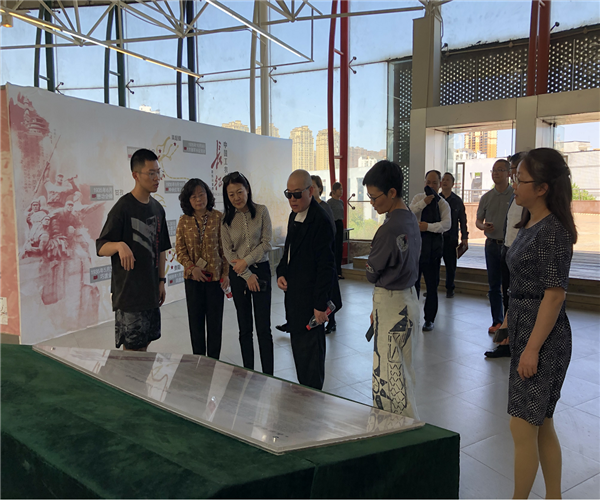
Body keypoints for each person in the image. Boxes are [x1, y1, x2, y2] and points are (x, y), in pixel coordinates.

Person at [505, 147, 577, 499]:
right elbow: (525, 279)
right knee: (541, 423)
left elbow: (554, 295)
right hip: (526, 327)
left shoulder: (552, 231)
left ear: (543, 188)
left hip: (544, 337)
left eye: (521, 179)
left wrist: (532, 349)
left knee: (521, 426)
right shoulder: (530, 222)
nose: (514, 184)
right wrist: (509, 317)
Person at [96, 148, 171, 352]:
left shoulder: (157, 209)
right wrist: (119, 245)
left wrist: (161, 280)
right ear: (135, 175)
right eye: (151, 173)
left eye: (158, 172)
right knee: (132, 353)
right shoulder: (123, 208)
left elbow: (161, 248)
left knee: (144, 346)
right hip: (129, 294)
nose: (157, 178)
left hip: (150, 291)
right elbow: (101, 246)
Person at [364, 161, 421, 418]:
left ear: (392, 192)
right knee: (403, 370)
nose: (372, 203)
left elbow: (371, 272)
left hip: (391, 303)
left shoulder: (388, 229)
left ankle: (398, 429)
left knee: (389, 376)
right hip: (408, 298)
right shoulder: (410, 219)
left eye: (374, 197)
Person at [277, 169, 337, 390]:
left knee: (312, 356)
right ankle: (304, 394)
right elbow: (288, 252)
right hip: (294, 298)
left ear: (310, 191)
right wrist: (281, 272)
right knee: (300, 352)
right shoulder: (294, 215)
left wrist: (320, 305)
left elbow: (326, 267)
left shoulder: (321, 220)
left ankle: (314, 398)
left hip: (312, 301)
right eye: (288, 194)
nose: (292, 199)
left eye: (297, 194)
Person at [221, 171, 274, 375]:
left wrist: (247, 262)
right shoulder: (226, 220)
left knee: (264, 328)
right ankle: (248, 373)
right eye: (231, 194)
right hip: (239, 275)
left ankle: (269, 374)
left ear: (247, 190)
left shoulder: (261, 211)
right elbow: (228, 253)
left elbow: (267, 243)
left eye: (239, 192)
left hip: (261, 271)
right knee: (245, 328)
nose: (236, 197)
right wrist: (246, 274)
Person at [175, 178, 229, 358]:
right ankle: (198, 361)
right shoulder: (184, 220)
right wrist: (192, 268)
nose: (199, 199)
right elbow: (180, 250)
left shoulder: (218, 217)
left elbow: (225, 249)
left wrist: (226, 273)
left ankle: (214, 361)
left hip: (215, 279)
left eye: (201, 194)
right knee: (195, 323)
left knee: (215, 323)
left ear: (208, 195)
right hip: (193, 279)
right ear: (188, 200)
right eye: (194, 197)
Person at [486, 152, 526, 359]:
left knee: (516, 297)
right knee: (506, 294)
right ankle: (507, 340)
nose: (512, 173)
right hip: (507, 249)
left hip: (518, 251)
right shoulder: (515, 194)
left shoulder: (526, 195)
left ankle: (514, 342)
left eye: (514, 169)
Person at [409, 170, 451, 331]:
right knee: (413, 284)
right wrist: (424, 203)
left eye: (434, 183)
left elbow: (446, 224)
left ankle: (429, 319)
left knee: (432, 286)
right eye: (428, 182)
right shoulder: (418, 198)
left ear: (439, 184)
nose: (431, 185)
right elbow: (410, 213)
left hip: (434, 249)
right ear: (424, 182)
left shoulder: (442, 203)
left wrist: (428, 227)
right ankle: (412, 316)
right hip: (416, 248)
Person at [476, 159, 513, 335]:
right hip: (491, 245)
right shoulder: (486, 197)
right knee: (494, 286)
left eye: (500, 170)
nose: (496, 173)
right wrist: (483, 227)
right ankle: (497, 321)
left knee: (509, 286)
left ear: (508, 173)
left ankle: (509, 321)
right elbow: (478, 221)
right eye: (494, 170)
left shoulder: (515, 195)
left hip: (510, 246)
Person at [439, 172, 468, 298]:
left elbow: (462, 220)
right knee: (433, 265)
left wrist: (464, 236)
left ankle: (450, 288)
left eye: (448, 180)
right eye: (443, 179)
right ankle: (432, 288)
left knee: (450, 265)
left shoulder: (457, 201)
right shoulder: (436, 199)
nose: (445, 182)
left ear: (453, 184)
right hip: (437, 237)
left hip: (451, 238)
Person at [327, 182, 345, 279]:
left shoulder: (341, 202)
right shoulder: (330, 202)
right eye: (339, 189)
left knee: (340, 248)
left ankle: (339, 271)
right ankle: (333, 271)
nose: (341, 191)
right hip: (333, 224)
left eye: (342, 189)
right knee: (334, 248)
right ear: (334, 191)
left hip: (340, 224)